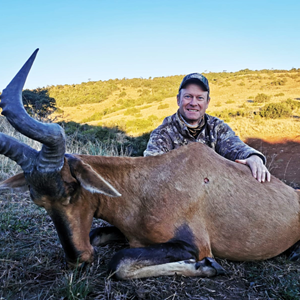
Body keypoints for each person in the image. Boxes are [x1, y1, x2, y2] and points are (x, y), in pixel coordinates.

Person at [144, 73, 271, 183]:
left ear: (207, 102)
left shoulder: (217, 127)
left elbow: (236, 146)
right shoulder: (162, 133)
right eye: (188, 96)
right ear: (178, 100)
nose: (193, 103)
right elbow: (151, 168)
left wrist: (254, 157)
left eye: (199, 98)